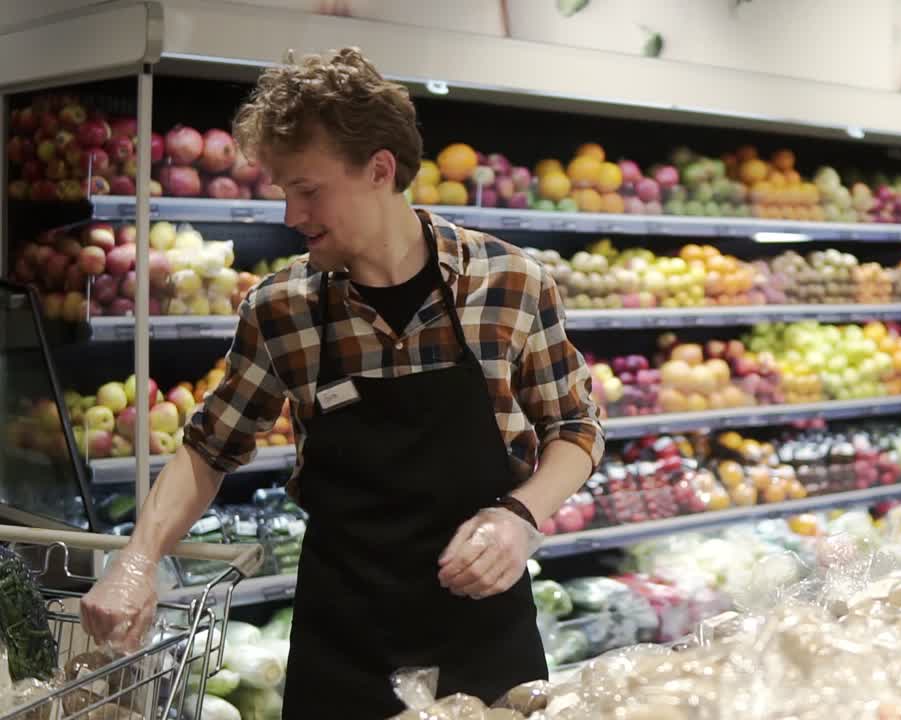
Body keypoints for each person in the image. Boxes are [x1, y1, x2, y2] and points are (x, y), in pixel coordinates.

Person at [79, 47, 604, 717]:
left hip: (486, 633)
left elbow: (576, 428)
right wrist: (137, 560)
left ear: (379, 169)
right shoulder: (281, 308)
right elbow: (209, 447)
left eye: (308, 189)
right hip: (345, 643)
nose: (291, 214)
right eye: (283, 191)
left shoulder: (508, 282)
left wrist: (520, 517)